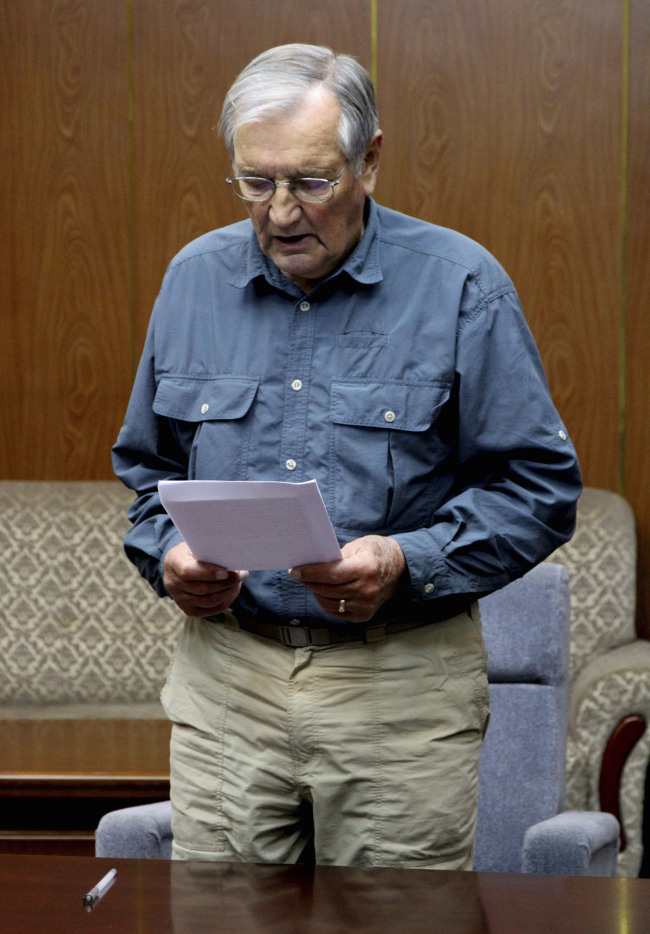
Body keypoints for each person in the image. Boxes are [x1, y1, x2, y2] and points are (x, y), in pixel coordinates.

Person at [112, 43, 582, 869]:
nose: (282, 213)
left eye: (311, 182)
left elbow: (538, 488)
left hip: (397, 691)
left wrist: (406, 559)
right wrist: (170, 555)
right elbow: (148, 476)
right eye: (256, 182)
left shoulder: (461, 285)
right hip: (228, 685)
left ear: (369, 160)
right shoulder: (193, 281)